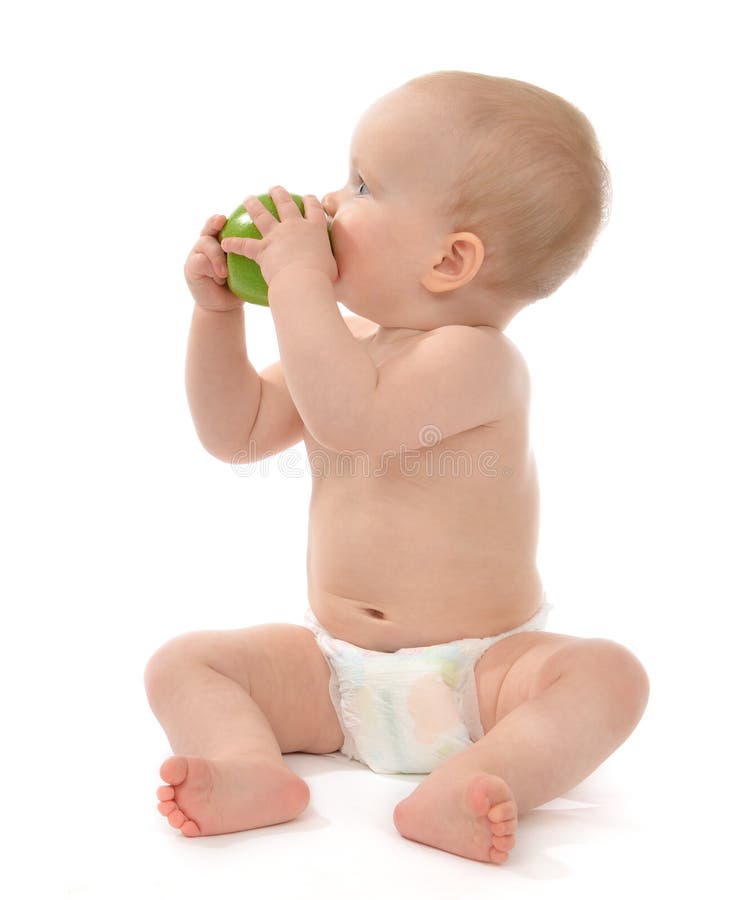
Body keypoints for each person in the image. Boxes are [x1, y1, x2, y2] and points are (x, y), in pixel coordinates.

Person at [144, 70, 649, 865]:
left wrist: (298, 277)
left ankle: (482, 773)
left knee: (607, 676)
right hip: (333, 676)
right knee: (184, 663)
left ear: (450, 261)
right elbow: (235, 434)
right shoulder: (346, 348)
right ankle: (248, 769)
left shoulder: (478, 360)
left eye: (364, 184)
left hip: (484, 677)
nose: (332, 203)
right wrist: (218, 317)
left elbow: (356, 422)